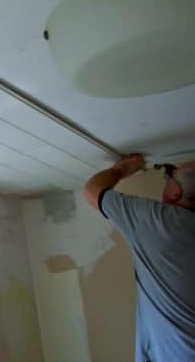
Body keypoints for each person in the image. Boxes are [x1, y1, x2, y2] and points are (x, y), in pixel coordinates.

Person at [84, 154, 195, 362]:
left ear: (175, 193)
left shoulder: (161, 222)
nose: (167, 179)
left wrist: (121, 169)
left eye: (169, 175)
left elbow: (92, 190)